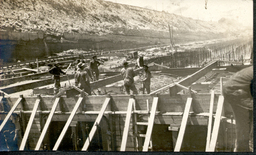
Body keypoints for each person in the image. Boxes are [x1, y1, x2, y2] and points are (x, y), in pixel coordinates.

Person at [222, 66, 253, 152]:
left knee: (244, 123)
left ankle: (242, 148)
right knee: (246, 121)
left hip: (236, 89)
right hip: (235, 91)